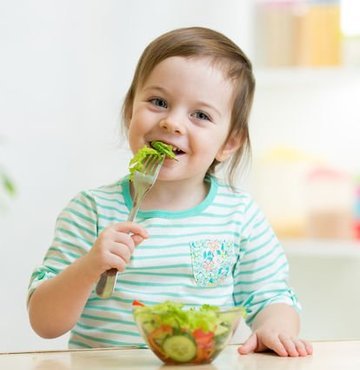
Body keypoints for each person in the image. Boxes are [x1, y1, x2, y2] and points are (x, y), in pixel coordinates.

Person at [27, 26, 313, 357]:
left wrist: (275, 328)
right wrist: (90, 266)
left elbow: (270, 296)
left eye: (201, 115)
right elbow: (44, 322)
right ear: (129, 110)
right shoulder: (90, 211)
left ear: (229, 142)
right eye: (158, 102)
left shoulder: (239, 217)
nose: (172, 123)